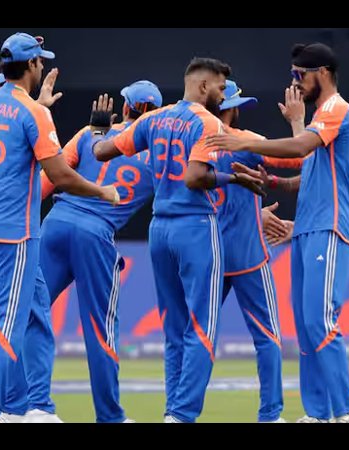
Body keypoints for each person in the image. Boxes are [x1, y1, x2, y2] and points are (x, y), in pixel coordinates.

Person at [0, 32, 119, 423]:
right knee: (6, 322)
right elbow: (60, 175)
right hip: (15, 232)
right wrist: (103, 192)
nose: (42, 66)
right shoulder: (34, 113)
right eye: (40, 60)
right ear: (30, 65)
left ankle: (35, 406)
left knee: (36, 313)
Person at [93, 57, 264, 423]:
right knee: (202, 327)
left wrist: (98, 130)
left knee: (173, 328)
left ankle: (173, 410)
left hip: (159, 229)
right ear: (203, 86)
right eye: (220, 87)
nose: (222, 95)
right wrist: (234, 179)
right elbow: (195, 177)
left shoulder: (154, 119)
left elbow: (101, 151)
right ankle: (182, 415)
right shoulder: (207, 122)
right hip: (195, 226)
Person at [207, 43, 349, 423]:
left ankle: (347, 412)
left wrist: (245, 141)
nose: (295, 82)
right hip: (307, 229)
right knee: (306, 328)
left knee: (320, 321)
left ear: (322, 72)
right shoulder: (321, 114)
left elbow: (301, 146)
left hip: (329, 227)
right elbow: (310, 171)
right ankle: (318, 414)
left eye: (300, 75)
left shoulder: (337, 108)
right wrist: (274, 182)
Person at [38, 80, 162, 423]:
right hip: (95, 236)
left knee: (26, 314)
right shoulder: (159, 156)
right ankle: (110, 417)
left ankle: (8, 400)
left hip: (55, 225)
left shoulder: (88, 134)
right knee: (100, 331)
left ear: (125, 108)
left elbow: (46, 185)